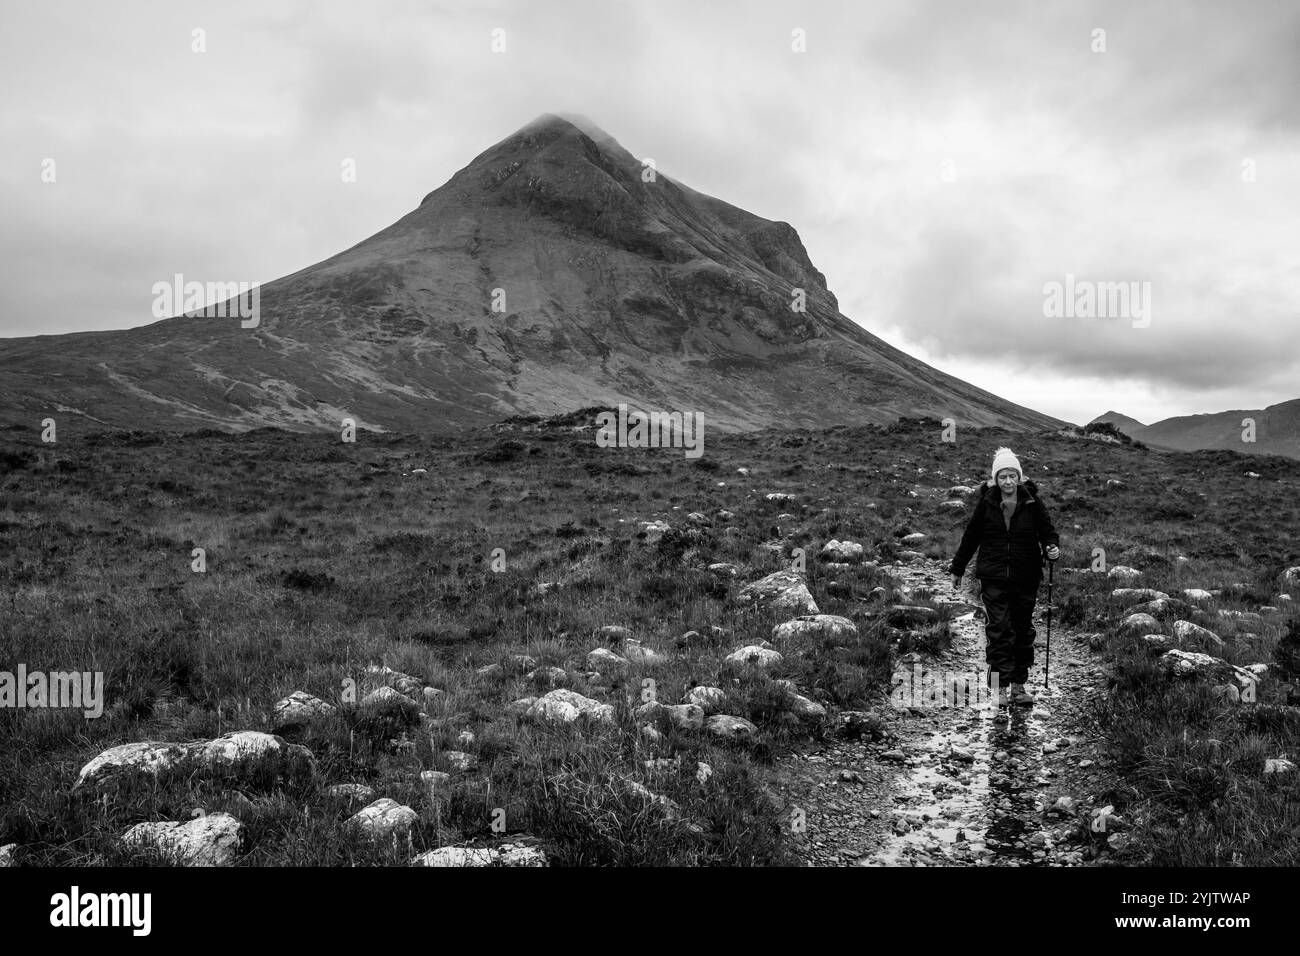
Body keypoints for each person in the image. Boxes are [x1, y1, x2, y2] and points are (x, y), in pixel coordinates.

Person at [947, 447, 1060, 709]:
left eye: (1012, 476)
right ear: (995, 479)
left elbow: (1048, 531)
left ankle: (1019, 687)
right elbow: (971, 537)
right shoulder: (986, 503)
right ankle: (999, 688)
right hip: (993, 576)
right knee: (998, 631)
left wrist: (1052, 547)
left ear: (1019, 477)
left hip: (1026, 576)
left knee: (1022, 630)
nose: (1007, 482)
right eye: (1002, 477)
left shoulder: (1032, 501)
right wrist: (958, 568)